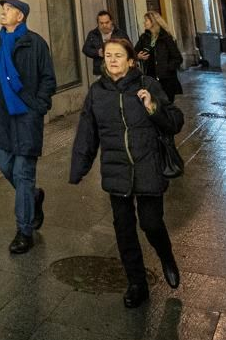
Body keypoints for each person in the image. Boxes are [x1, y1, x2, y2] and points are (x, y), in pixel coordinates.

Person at [70, 36, 184, 307]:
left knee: (151, 223)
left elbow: (175, 121)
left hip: (147, 166)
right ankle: (136, 284)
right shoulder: (97, 93)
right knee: (124, 229)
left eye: (118, 55)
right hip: (116, 169)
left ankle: (166, 256)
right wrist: (79, 168)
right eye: (108, 55)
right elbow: (87, 133)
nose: (111, 60)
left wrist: (153, 108)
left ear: (131, 61)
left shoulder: (148, 85)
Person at [0, 0, 57, 255]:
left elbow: (48, 79)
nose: (3, 12)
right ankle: (34, 196)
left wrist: (38, 106)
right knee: (6, 166)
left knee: (22, 173)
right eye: (3, 9)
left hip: (28, 116)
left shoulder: (36, 43)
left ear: (21, 17)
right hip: (4, 117)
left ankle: (24, 231)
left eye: (8, 10)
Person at [135, 11, 184, 100]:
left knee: (167, 106)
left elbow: (178, 58)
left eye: (146, 20)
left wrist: (166, 68)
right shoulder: (144, 37)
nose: (144, 23)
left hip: (166, 80)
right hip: (150, 79)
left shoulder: (166, 38)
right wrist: (138, 56)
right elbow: (133, 52)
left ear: (153, 21)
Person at [81, 9, 125, 77]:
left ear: (111, 21)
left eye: (107, 22)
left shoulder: (120, 33)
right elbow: (85, 49)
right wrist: (97, 52)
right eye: (101, 23)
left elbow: (128, 48)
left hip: (118, 69)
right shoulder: (93, 34)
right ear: (98, 23)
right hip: (101, 71)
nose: (104, 25)